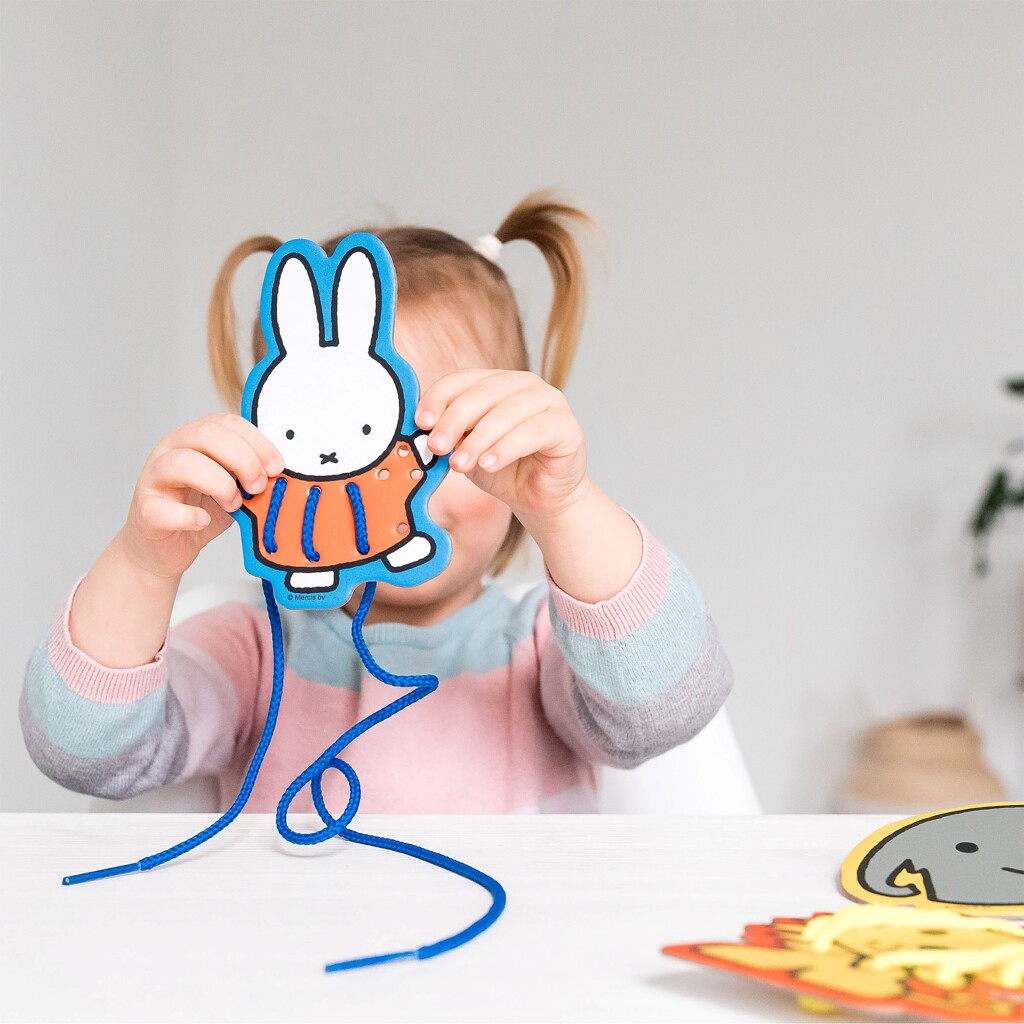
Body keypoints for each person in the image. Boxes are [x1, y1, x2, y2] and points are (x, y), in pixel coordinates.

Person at [20, 190, 733, 814]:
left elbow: (668, 709)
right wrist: (143, 565)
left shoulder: (541, 647)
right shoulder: (258, 652)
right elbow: (86, 754)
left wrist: (566, 508)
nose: (402, 481)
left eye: (440, 438)